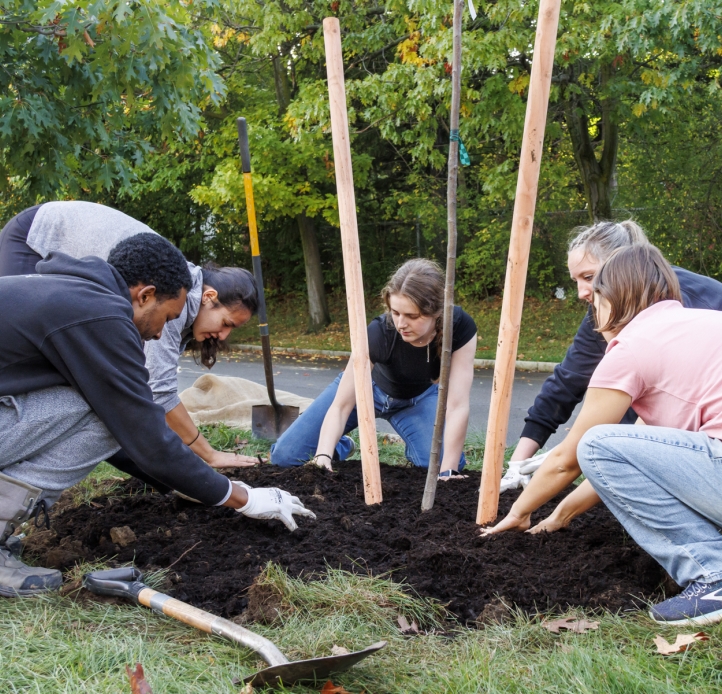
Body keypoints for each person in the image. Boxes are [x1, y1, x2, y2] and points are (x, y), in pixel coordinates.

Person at [0, 234, 314, 597]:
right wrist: (242, 497)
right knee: (106, 411)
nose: (160, 333)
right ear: (145, 295)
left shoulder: (71, 293)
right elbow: (142, 432)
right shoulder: (101, 316)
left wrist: (184, 481)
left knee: (105, 408)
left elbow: (129, 440)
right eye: (167, 317)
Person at [483, 244, 722, 625]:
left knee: (596, 441)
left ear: (611, 299)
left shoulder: (631, 348)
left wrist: (518, 512)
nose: (592, 312)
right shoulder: (700, 325)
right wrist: (560, 516)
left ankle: (713, 576)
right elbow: (632, 462)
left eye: (594, 299)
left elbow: (572, 458)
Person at [0, 201, 261, 470]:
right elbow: (158, 392)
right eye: (227, 323)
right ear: (209, 297)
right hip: (37, 238)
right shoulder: (171, 297)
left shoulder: (177, 293)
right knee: (76, 381)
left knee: (109, 397)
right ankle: (17, 475)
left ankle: (165, 476)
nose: (223, 335)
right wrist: (209, 455)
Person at [501, 220, 722, 491]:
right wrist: (518, 461)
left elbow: (657, 418)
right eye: (575, 280)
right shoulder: (608, 307)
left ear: (621, 266)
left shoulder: (682, 301)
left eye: (589, 277)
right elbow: (568, 380)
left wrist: (569, 463)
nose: (581, 292)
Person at [271, 259, 477, 477]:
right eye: (395, 312)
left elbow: (457, 406)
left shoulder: (459, 328)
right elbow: (341, 406)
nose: (400, 324)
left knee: (438, 462)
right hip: (367, 391)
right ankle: (342, 445)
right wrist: (323, 455)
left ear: (437, 311)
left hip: (419, 399)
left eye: (412, 316)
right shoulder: (381, 332)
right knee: (286, 456)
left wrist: (448, 470)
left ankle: (419, 445)